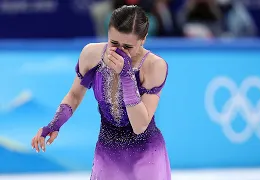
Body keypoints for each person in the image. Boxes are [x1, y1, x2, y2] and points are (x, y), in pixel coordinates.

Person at [31, 5, 171, 180]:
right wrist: (54, 124)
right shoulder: (91, 54)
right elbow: (74, 95)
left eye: (128, 46)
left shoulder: (154, 66)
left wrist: (126, 76)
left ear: (143, 40)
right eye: (114, 43)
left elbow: (139, 125)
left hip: (145, 155)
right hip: (107, 153)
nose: (119, 51)